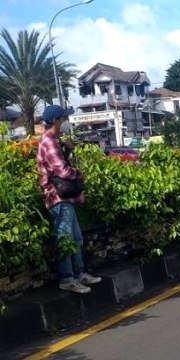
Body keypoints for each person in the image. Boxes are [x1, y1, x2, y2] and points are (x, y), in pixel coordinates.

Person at [36, 105, 102, 294]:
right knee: (66, 238)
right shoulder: (49, 142)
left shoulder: (55, 141)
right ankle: (67, 279)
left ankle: (78, 274)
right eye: (64, 118)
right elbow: (62, 171)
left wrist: (67, 148)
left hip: (64, 197)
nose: (67, 122)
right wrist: (79, 173)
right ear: (56, 121)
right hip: (57, 197)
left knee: (76, 238)